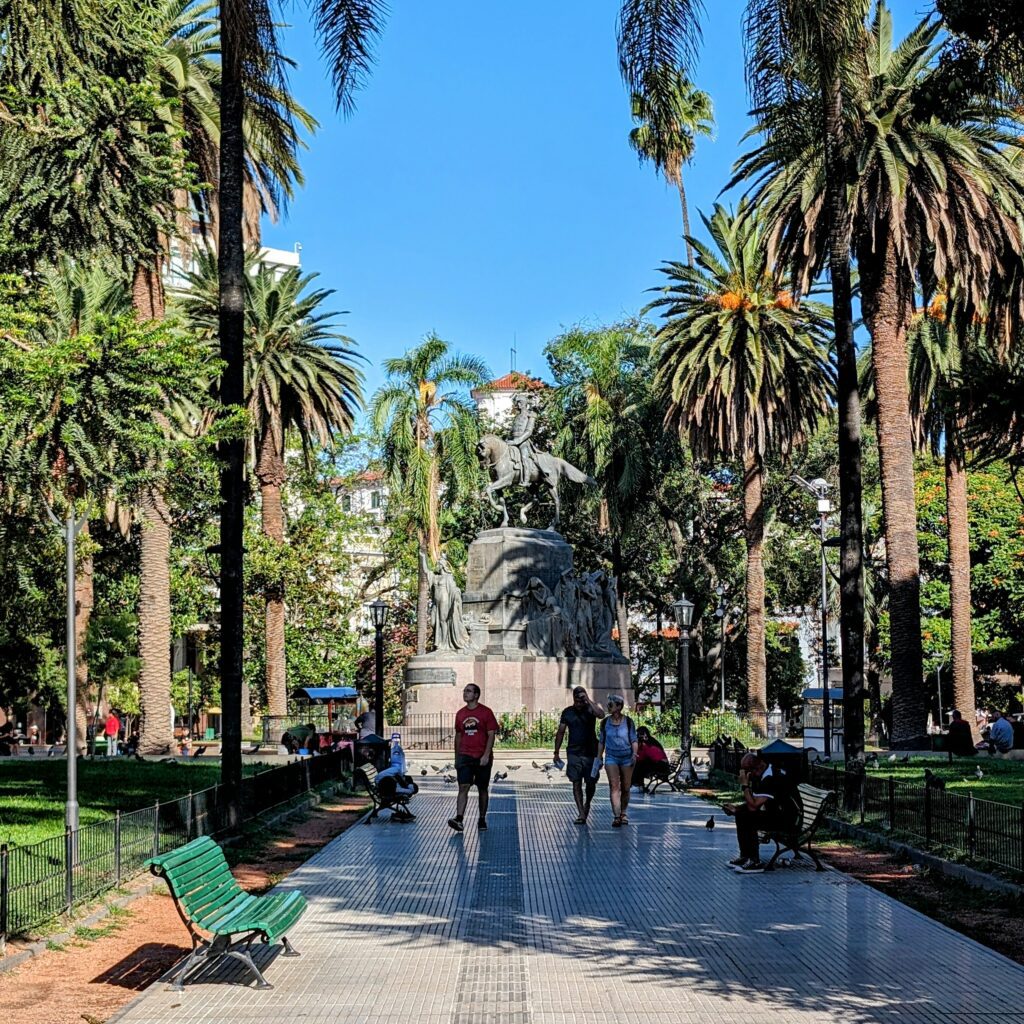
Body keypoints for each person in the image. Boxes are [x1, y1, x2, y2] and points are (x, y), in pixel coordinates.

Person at [722, 752, 801, 873]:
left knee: (749, 818)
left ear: (757, 768)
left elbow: (753, 807)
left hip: (789, 820)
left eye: (748, 772)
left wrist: (744, 785)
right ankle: (746, 856)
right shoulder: (764, 775)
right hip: (779, 815)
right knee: (742, 815)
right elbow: (754, 803)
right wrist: (737, 809)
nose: (748, 775)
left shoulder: (771, 778)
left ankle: (755, 861)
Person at [448, 684, 498, 833]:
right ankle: (459, 818)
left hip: (481, 755)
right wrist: (457, 757)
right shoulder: (460, 714)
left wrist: (486, 755)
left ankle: (482, 818)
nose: (465, 693)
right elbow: (458, 735)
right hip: (465, 755)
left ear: (476, 695)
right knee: (463, 786)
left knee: (482, 788)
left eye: (468, 691)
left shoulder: (486, 712)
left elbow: (491, 734)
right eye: (464, 691)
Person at [553, 686, 605, 824]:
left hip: (591, 752)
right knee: (576, 782)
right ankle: (581, 812)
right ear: (573, 699)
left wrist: (588, 700)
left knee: (591, 782)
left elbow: (601, 715)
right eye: (577, 700)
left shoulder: (590, 710)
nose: (580, 703)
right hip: (574, 752)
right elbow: (561, 732)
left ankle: (587, 802)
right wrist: (556, 752)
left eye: (582, 700)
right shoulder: (568, 712)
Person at [595, 695, 638, 827]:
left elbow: (634, 740)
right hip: (611, 757)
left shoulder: (628, 722)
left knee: (626, 787)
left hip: (627, 757)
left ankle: (623, 812)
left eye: (610, 705)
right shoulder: (605, 723)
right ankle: (616, 816)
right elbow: (602, 741)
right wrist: (599, 756)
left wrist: (634, 754)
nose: (608, 707)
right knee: (614, 786)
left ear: (619, 706)